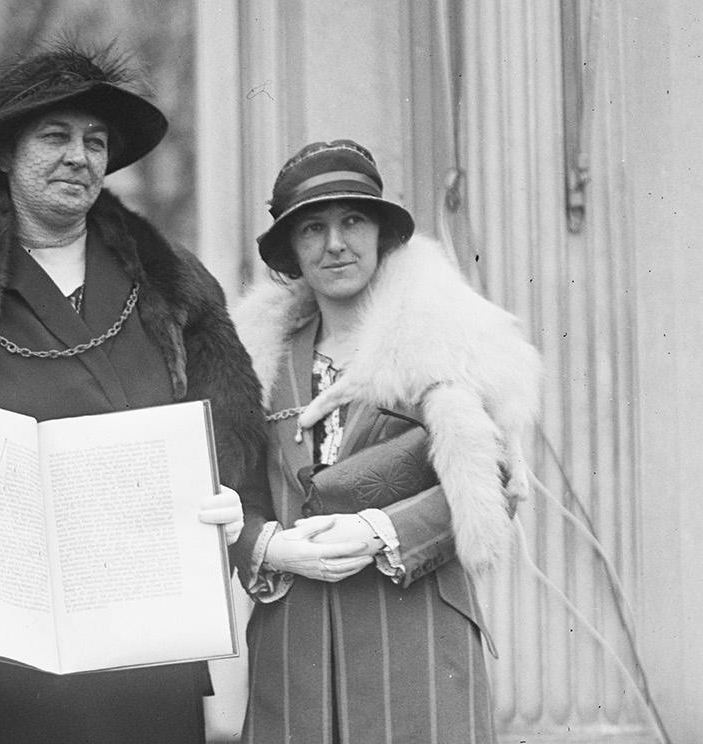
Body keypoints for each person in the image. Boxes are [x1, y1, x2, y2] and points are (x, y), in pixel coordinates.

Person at [0, 44, 269, 743]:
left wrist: (224, 499)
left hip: (145, 650)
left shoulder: (171, 283)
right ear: (5, 154)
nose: (79, 157)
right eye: (55, 136)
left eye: (95, 141)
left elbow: (234, 437)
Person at [230, 139, 541, 743]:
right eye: (313, 228)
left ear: (383, 235)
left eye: (353, 221)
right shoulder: (256, 362)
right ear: (292, 250)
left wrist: (380, 532)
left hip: (416, 632)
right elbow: (227, 495)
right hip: (295, 643)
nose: (336, 243)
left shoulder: (442, 341)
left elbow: (494, 480)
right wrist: (268, 546)